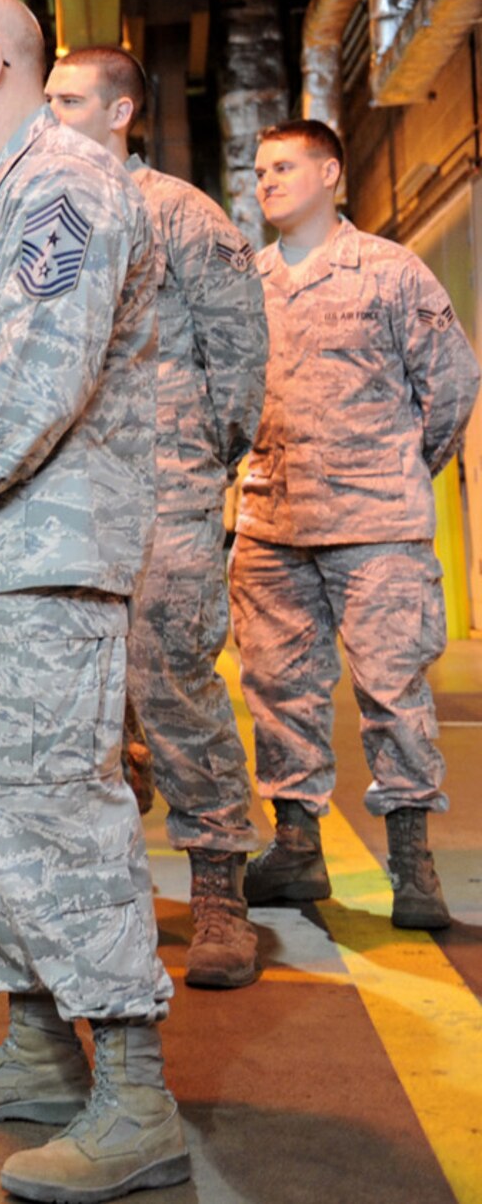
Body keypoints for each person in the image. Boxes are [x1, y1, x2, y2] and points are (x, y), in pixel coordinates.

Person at [0, 0, 187, 1202]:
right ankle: (36, 1047)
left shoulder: (66, 184)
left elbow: (38, 372)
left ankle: (132, 1095)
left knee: (54, 814)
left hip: (43, 556)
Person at [45, 46, 271, 987]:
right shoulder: (49, 215)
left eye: (67, 100)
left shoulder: (179, 211)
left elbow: (241, 352)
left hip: (166, 490)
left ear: (121, 110)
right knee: (78, 697)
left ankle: (219, 887)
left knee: (172, 681)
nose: (51, 115)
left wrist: (199, 459)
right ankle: (111, 882)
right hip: (68, 494)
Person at [234, 118, 479, 931]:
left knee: (392, 690)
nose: (266, 181)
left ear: (331, 173)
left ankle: (413, 865)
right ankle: (297, 849)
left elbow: (450, 384)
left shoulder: (388, 271)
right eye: (260, 169)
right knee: (276, 691)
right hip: (272, 524)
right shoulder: (249, 281)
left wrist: (400, 471)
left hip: (377, 527)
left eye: (284, 167)